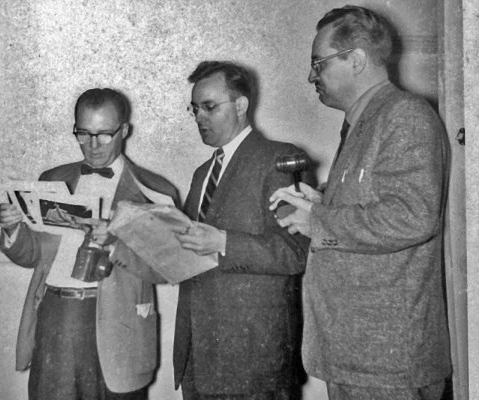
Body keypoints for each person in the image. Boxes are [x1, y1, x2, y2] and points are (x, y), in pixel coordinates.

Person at [269, 5, 451, 400]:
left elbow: (413, 217)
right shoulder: (365, 120)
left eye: (319, 63)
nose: (311, 76)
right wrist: (321, 202)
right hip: (360, 356)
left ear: (356, 60)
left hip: (387, 363)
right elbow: (377, 203)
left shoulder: (405, 115)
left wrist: (319, 221)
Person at [0, 88, 180, 400]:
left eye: (104, 134)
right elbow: (33, 255)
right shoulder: (52, 179)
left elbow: (168, 268)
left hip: (120, 324)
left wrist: (116, 244)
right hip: (55, 315)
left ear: (124, 130)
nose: (93, 146)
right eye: (83, 133)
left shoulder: (154, 190)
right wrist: (12, 228)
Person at [172, 61, 310, 400]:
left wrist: (223, 242)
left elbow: (294, 252)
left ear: (241, 105)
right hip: (198, 354)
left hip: (253, 359)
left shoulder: (280, 158)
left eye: (209, 107)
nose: (199, 117)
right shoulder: (202, 173)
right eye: (194, 109)